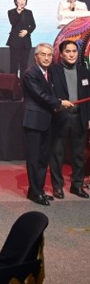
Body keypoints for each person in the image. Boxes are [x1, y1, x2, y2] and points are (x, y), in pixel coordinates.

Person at [21, 43, 73, 205]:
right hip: (34, 122)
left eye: (49, 55)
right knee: (34, 159)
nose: (46, 58)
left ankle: (38, 190)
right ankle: (35, 192)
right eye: (43, 54)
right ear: (36, 56)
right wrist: (59, 103)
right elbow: (40, 95)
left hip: (48, 121)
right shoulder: (30, 73)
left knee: (43, 159)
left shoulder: (49, 73)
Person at [49, 40, 90, 199]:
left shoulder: (84, 71)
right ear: (61, 54)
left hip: (80, 117)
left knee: (78, 155)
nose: (71, 54)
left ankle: (77, 186)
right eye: (68, 51)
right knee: (57, 154)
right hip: (60, 117)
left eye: (74, 51)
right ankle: (57, 187)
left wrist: (88, 117)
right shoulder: (53, 71)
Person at [6, 0, 36, 76]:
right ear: (16, 1)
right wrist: (19, 12)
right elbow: (13, 23)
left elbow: (33, 25)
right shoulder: (11, 12)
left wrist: (27, 31)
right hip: (15, 41)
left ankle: (23, 82)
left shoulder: (29, 12)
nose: (22, 1)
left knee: (24, 65)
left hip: (25, 42)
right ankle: (13, 83)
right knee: (14, 65)